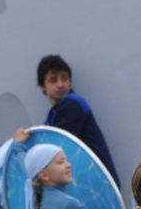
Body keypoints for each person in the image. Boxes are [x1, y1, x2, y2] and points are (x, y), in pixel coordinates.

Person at [36, 54, 117, 182]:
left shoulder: (72, 104)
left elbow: (55, 148)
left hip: (98, 185)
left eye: (64, 79)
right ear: (42, 86)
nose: (60, 84)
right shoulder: (56, 112)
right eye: (53, 80)